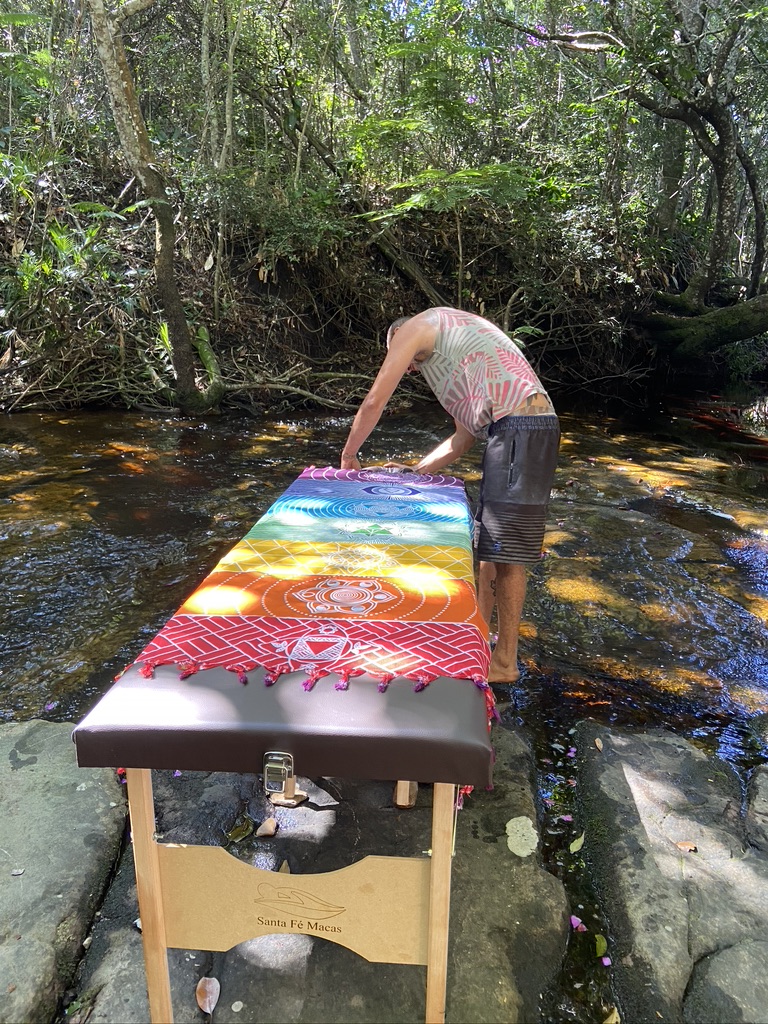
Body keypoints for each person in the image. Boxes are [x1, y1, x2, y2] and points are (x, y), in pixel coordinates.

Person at [340, 306, 560, 684]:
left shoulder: (416, 326)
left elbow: (375, 400)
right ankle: (480, 639)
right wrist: (416, 472)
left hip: (522, 427)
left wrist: (349, 455)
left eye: (399, 356)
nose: (406, 368)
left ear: (398, 337)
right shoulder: (449, 358)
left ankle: (505, 663)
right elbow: (462, 438)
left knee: (507, 555)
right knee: (490, 546)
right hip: (510, 430)